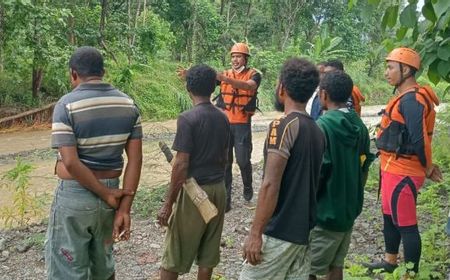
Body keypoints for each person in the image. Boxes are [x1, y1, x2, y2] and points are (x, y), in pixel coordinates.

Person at [46, 46, 143, 280]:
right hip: (113, 193)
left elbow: (70, 161)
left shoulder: (66, 105)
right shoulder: (128, 105)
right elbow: (135, 160)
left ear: (73, 74)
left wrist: (102, 193)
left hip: (76, 196)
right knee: (103, 266)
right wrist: (124, 207)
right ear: (103, 72)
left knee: (67, 269)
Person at [240, 58, 325, 280]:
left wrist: (255, 233)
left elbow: (270, 184)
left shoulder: (283, 125)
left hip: (279, 231)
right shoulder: (316, 130)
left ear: (282, 89)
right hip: (302, 232)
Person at [367, 47, 442, 274]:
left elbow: (419, 140)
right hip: (392, 167)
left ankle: (410, 274)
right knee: (389, 218)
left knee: (407, 226)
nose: (386, 72)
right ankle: (390, 263)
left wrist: (428, 167)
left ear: (406, 69)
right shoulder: (404, 97)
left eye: (390, 67)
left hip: (405, 171)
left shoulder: (412, 100)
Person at [158, 64, 230, 280]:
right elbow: (226, 157)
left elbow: (180, 166)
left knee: (174, 255)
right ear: (213, 88)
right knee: (207, 257)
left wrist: (168, 204)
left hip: (195, 193)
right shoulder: (224, 117)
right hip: (218, 190)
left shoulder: (188, 118)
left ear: (188, 88)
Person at [308, 71, 375, 280]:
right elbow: (364, 166)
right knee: (336, 265)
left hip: (325, 213)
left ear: (323, 95)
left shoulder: (322, 127)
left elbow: (318, 174)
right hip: (348, 210)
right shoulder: (359, 125)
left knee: (307, 269)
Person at [215, 42, 262, 211]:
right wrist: (189, 75)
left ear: (245, 59)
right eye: (233, 57)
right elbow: (205, 81)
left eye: (238, 57)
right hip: (225, 124)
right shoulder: (225, 74)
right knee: (226, 163)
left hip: (242, 124)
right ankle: (226, 201)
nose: (235, 60)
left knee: (243, 161)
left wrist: (226, 80)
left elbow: (249, 86)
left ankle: (247, 188)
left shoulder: (254, 74)